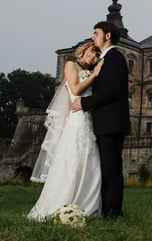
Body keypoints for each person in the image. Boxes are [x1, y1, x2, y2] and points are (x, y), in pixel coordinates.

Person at [28, 42, 104, 222]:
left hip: (89, 119)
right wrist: (94, 74)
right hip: (77, 120)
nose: (93, 57)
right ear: (83, 50)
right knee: (72, 161)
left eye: (96, 55)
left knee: (90, 163)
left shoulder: (91, 70)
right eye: (92, 52)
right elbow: (76, 90)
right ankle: (62, 204)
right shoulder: (71, 65)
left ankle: (87, 207)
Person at [71, 21, 130, 220]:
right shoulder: (104, 59)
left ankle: (113, 213)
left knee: (111, 169)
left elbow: (110, 91)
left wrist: (84, 103)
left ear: (107, 36)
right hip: (106, 122)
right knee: (106, 168)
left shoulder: (115, 57)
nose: (93, 37)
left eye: (96, 33)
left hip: (111, 122)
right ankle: (106, 209)